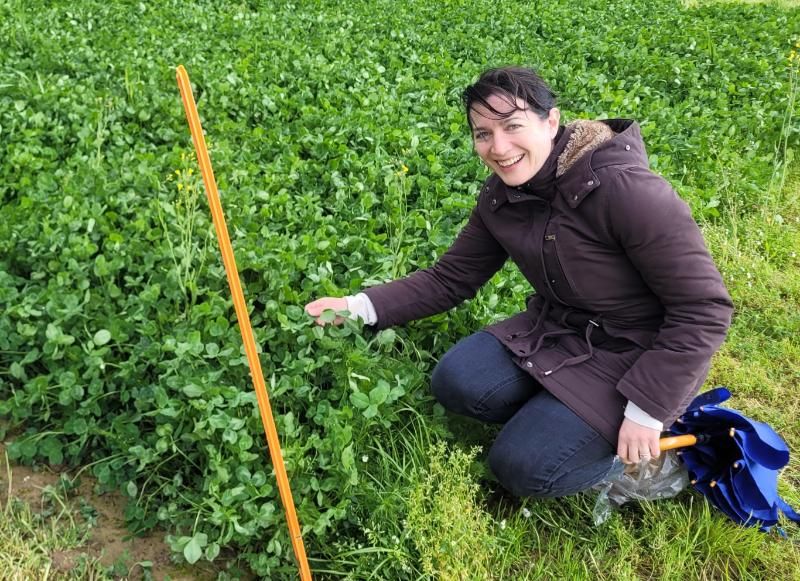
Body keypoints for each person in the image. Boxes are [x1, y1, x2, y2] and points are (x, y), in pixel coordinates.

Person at [305, 67, 733, 498]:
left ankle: (622, 452)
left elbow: (703, 308)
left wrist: (647, 409)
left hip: (638, 352)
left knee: (523, 467)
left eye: (512, 126)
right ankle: (563, 418)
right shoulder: (502, 197)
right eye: (483, 134)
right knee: (457, 381)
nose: (499, 147)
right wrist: (357, 307)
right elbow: (451, 277)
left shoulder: (626, 190)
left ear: (551, 121)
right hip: (558, 331)